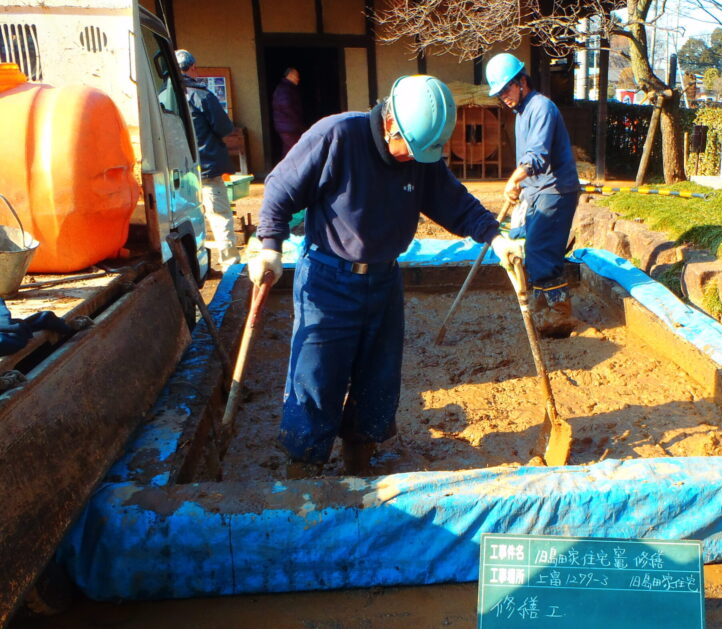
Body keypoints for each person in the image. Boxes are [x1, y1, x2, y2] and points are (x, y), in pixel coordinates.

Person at [249, 75, 522, 478]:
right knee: (317, 377)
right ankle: (304, 473)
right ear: (391, 124)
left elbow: (453, 201)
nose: (413, 160)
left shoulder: (419, 155)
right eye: (409, 151)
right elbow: (279, 190)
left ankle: (360, 460)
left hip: (383, 282)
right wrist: (269, 245)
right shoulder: (338, 136)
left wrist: (496, 238)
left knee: (377, 379)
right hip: (327, 281)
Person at [486, 52, 580, 338]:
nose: (504, 97)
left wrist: (515, 179)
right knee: (526, 242)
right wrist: (521, 190)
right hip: (536, 190)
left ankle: (560, 313)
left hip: (555, 190)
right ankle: (544, 303)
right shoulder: (522, 113)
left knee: (541, 249)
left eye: (506, 89)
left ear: (521, 81)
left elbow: (537, 157)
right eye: (499, 93)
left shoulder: (541, 108)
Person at [176, 49, 240, 270]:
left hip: (179, 171)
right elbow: (224, 127)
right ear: (192, 68)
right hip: (207, 167)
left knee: (190, 219)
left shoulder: (163, 96)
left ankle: (198, 265)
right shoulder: (201, 95)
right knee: (220, 216)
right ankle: (230, 265)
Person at [271, 67, 305, 159]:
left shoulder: (287, 88)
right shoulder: (285, 89)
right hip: (289, 126)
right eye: (296, 76)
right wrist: (298, 123)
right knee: (297, 150)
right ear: (289, 76)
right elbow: (287, 107)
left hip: (287, 126)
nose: (298, 78)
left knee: (289, 151)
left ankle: (286, 171)